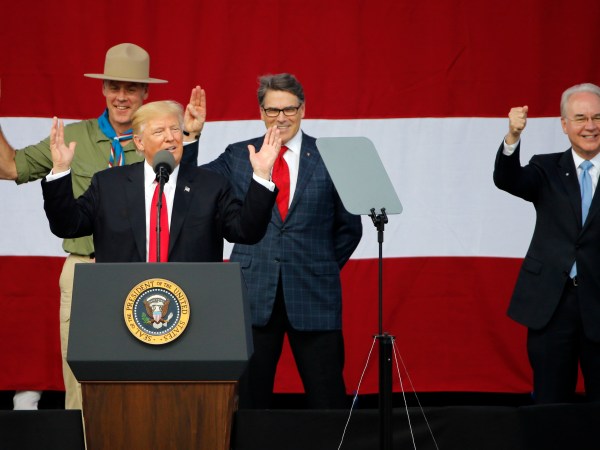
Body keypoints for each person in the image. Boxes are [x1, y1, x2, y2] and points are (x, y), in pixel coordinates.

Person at [0, 43, 205, 410]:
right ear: (103, 89)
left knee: (148, 381)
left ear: (145, 93)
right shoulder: (73, 137)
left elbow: (185, 197)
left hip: (146, 273)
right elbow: (9, 167)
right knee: (82, 381)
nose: (121, 97)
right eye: (114, 86)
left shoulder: (159, 138)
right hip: (84, 269)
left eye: (131, 88)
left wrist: (190, 139)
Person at [202, 73, 363, 409]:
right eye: (273, 110)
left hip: (314, 293)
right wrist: (189, 138)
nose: (281, 118)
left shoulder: (331, 156)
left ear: (303, 109)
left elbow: (350, 229)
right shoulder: (237, 155)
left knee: (328, 398)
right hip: (252, 293)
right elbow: (195, 183)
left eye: (289, 109)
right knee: (249, 401)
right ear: (261, 112)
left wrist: (320, 265)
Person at [42, 100, 279, 264]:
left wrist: (260, 175)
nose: (171, 137)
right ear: (139, 142)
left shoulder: (211, 186)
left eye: (175, 129)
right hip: (124, 303)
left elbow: (246, 232)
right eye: (159, 132)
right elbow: (67, 226)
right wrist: (61, 170)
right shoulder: (108, 185)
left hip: (192, 304)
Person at [494, 82, 600, 404]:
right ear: (564, 124)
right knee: (550, 406)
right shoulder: (545, 167)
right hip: (552, 305)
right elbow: (507, 179)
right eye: (580, 118)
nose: (590, 126)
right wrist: (512, 137)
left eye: (597, 117)